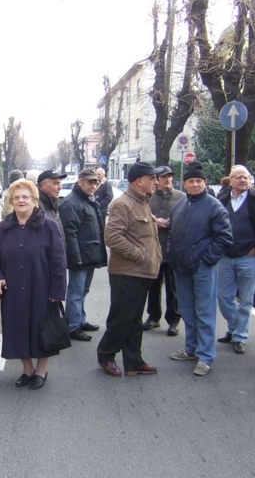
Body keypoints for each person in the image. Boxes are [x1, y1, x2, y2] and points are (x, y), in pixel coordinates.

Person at [0, 179, 67, 389]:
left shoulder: (48, 225)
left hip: (41, 289)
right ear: (11, 201)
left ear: (34, 200)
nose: (21, 201)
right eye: (17, 197)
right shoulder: (4, 227)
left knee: (42, 331)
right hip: (12, 290)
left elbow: (59, 260)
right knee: (18, 330)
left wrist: (57, 290)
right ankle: (27, 369)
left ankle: (41, 370)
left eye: (25, 197)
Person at [97, 162, 161, 378]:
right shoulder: (123, 204)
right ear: (138, 181)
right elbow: (112, 237)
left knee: (134, 320)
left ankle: (133, 361)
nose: (155, 182)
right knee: (122, 318)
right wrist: (139, 255)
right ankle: (106, 354)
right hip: (126, 273)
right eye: (152, 178)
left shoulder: (142, 202)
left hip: (140, 272)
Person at [168, 162, 232, 376]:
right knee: (187, 310)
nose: (195, 184)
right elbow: (173, 233)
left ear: (204, 183)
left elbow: (224, 238)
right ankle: (191, 348)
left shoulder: (214, 206)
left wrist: (206, 260)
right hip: (181, 267)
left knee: (204, 312)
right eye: (191, 181)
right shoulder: (179, 205)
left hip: (202, 268)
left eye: (199, 181)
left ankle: (205, 356)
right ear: (184, 184)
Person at [216, 165, 255, 354]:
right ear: (231, 180)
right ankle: (234, 327)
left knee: (245, 299)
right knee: (223, 296)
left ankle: (240, 335)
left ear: (251, 180)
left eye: (246, 177)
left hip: (248, 257)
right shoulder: (222, 198)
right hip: (225, 256)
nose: (242, 180)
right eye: (238, 177)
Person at [59, 169, 107, 341]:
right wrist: (75, 258)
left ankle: (80, 320)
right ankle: (72, 326)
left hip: (89, 254)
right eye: (89, 182)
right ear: (80, 182)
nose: (93, 186)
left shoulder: (88, 199)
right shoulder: (71, 202)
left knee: (83, 291)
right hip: (80, 255)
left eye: (95, 182)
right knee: (76, 292)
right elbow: (69, 233)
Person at [144, 166, 185, 336]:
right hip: (154, 248)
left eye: (169, 177)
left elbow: (187, 219)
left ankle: (174, 320)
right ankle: (153, 317)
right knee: (153, 285)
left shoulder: (181, 197)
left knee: (173, 286)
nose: (167, 180)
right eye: (163, 177)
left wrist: (173, 222)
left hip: (173, 249)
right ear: (157, 180)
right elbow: (141, 218)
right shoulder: (149, 197)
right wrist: (153, 222)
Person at [37, 170, 67, 246]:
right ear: (44, 185)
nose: (60, 187)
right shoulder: (36, 206)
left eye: (60, 183)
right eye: (56, 183)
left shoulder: (53, 203)